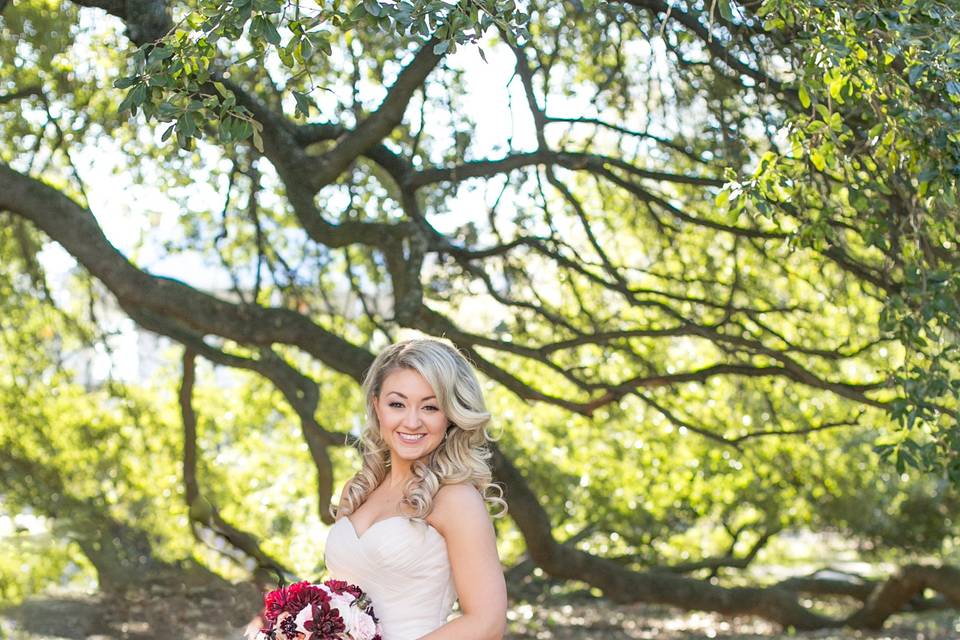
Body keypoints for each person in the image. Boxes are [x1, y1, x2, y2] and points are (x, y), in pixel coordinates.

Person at [325, 338, 508, 640]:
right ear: (377, 405)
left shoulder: (456, 499)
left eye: (430, 407)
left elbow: (487, 623)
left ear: (450, 415)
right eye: (397, 404)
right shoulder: (356, 491)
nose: (412, 421)